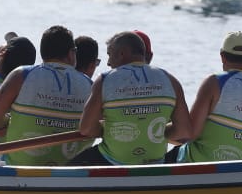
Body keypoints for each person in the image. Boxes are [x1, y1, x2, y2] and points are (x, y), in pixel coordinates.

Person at [73, 31, 191, 166]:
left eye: (110, 55)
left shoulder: (105, 80)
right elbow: (184, 130)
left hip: (112, 161)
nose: (109, 62)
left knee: (69, 168)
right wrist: (155, 133)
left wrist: (111, 131)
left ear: (122, 53)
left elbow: (86, 128)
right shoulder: (171, 80)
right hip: (156, 162)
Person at [0, 25, 93, 165]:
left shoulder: (22, 74)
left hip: (20, 167)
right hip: (68, 170)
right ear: (71, 54)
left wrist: (7, 123)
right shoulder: (90, 85)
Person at [168, 31, 242, 163]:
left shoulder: (214, 82)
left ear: (222, 57)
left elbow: (189, 133)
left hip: (200, 164)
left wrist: (160, 129)